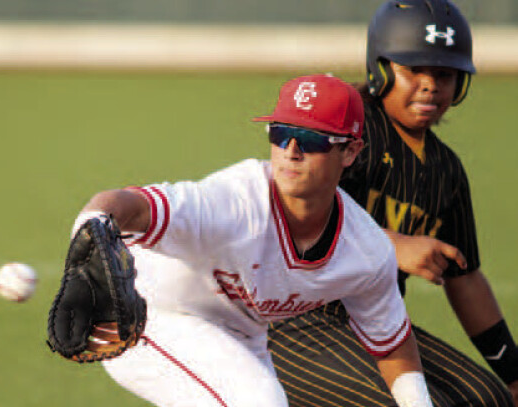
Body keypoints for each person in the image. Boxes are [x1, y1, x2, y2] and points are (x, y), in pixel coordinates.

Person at [68, 74, 436, 407]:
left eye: (310, 138)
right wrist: (88, 234)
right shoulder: (233, 201)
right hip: (148, 315)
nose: (292, 149)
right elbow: (125, 204)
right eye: (280, 133)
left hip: (239, 337)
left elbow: (391, 343)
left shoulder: (366, 250)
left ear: (350, 152)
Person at [268, 1, 518, 407]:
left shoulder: (445, 170)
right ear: (380, 69)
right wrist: (390, 243)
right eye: (413, 70)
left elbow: (464, 276)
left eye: (444, 74)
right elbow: (287, 206)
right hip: (290, 317)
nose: (430, 85)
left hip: (373, 322)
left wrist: (513, 373)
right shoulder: (344, 124)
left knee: (487, 398)